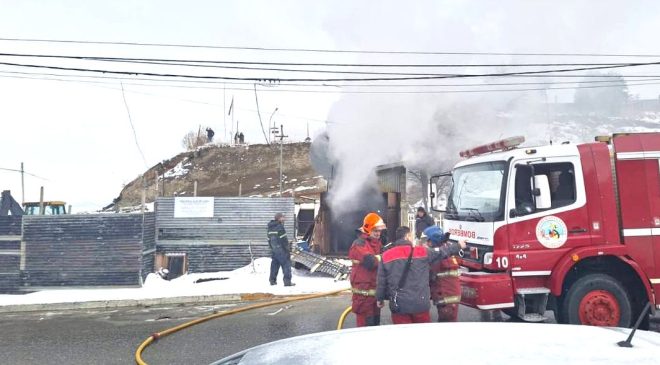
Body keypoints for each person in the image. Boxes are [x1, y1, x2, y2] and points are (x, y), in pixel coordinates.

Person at [376, 226, 465, 325]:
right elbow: (441, 252)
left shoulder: (386, 256)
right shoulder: (421, 252)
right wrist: (458, 246)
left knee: (402, 336)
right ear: (407, 236)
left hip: (399, 305)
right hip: (420, 304)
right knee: (422, 336)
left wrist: (380, 299)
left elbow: (381, 281)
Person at [349, 212, 386, 327]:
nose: (378, 233)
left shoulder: (377, 244)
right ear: (368, 229)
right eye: (375, 231)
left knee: (375, 326)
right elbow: (370, 262)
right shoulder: (359, 244)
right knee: (364, 330)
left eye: (379, 231)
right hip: (363, 297)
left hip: (374, 295)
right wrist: (385, 256)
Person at [423, 226, 461, 322]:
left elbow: (428, 275)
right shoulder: (444, 251)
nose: (424, 244)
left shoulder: (438, 257)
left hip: (447, 299)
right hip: (446, 296)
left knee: (446, 325)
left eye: (426, 240)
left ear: (432, 241)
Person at [267, 213, 295, 286]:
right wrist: (287, 249)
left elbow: (269, 239)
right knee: (286, 265)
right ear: (279, 218)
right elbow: (284, 240)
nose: (284, 219)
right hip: (282, 250)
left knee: (274, 265)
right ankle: (287, 282)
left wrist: (272, 248)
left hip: (274, 249)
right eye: (283, 217)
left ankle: (272, 281)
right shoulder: (280, 227)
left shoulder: (270, 227)